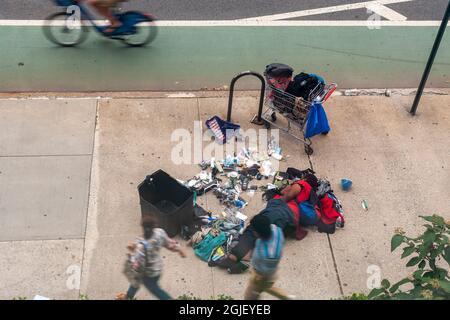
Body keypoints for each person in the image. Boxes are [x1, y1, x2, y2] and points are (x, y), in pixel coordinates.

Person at [116, 215, 186, 300]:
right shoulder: (160, 233)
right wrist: (179, 250)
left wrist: (131, 255)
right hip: (157, 268)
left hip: (148, 273)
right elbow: (170, 245)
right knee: (136, 280)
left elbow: (137, 258)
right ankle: (128, 296)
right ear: (154, 226)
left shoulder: (141, 242)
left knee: (154, 289)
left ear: (143, 227)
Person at [244, 215, 294, 300]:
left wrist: (257, 277)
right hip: (269, 270)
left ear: (258, 233)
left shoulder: (265, 253)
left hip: (261, 274)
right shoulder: (276, 230)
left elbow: (264, 271)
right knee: (267, 286)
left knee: (250, 295)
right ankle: (286, 297)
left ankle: (286, 297)